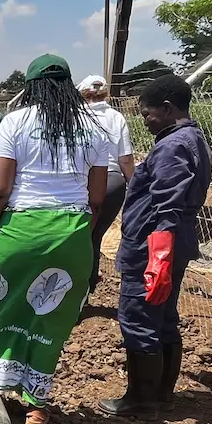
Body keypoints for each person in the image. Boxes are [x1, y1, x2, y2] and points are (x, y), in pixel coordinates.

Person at [0, 55, 112, 424]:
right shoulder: (95, 129)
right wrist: (78, 232)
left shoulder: (14, 122)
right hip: (71, 231)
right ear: (70, 85)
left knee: (1, 309)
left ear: (30, 86)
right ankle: (36, 406)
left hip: (21, 230)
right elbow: (97, 197)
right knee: (51, 317)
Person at [100, 74, 212, 419]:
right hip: (172, 242)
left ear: (166, 109)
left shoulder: (172, 146)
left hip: (153, 246)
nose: (145, 121)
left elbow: (169, 201)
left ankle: (142, 400)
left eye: (148, 114)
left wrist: (157, 255)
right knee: (163, 317)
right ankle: (162, 396)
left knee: (138, 318)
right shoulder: (193, 138)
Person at [77, 74, 137, 294]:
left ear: (82, 94)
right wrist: (135, 186)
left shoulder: (77, 117)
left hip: (82, 179)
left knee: (76, 234)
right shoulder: (116, 117)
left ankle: (70, 286)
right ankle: (88, 284)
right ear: (105, 94)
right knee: (95, 236)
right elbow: (125, 158)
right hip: (112, 181)